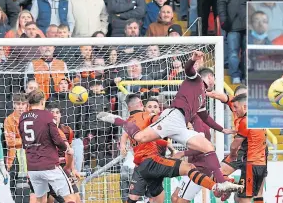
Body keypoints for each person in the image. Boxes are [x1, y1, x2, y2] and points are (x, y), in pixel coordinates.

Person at [109, 94, 241, 203]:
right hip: (154, 162)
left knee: (161, 199)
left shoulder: (192, 123)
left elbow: (133, 130)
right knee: (172, 196)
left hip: (185, 165)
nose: (153, 109)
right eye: (150, 107)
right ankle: (216, 192)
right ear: (143, 106)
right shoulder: (152, 119)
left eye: (155, 107)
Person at [98, 50, 235, 185]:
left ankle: (222, 183)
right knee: (139, 137)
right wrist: (193, 59)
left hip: (181, 125)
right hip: (173, 117)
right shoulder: (196, 79)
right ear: (210, 77)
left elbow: (205, 117)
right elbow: (188, 69)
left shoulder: (202, 97)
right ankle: (118, 120)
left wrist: (222, 129)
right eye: (214, 79)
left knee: (208, 146)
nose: (215, 82)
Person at [15, 103, 98, 203]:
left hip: (36, 168)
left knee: (43, 202)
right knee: (73, 200)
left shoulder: (66, 130)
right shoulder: (53, 130)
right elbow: (67, 151)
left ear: (60, 115)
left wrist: (71, 169)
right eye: (52, 112)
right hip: (53, 168)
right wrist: (68, 169)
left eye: (57, 112)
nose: (55, 115)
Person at [18, 89, 78, 203]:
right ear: (43, 101)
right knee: (71, 199)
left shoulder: (22, 118)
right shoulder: (46, 116)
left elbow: (24, 142)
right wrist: (67, 148)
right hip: (49, 164)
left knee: (40, 201)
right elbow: (57, 139)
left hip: (32, 166)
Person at [227, 94, 279, 203]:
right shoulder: (257, 120)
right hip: (260, 165)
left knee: (243, 201)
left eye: (236, 107)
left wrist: (232, 156)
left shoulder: (245, 121)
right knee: (240, 198)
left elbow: (234, 145)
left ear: (245, 107)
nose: (234, 111)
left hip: (251, 164)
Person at [171, 115, 227, 203]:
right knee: (174, 198)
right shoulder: (195, 121)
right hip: (190, 168)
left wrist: (182, 153)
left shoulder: (198, 123)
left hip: (198, 169)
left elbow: (202, 148)